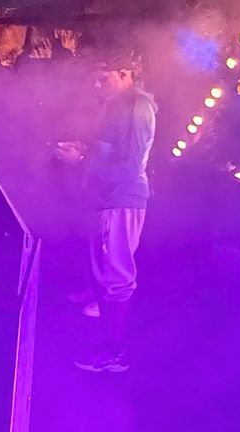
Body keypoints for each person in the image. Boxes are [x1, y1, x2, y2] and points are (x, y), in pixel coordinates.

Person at [60, 50, 157, 373]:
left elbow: (129, 169)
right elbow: (109, 155)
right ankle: (108, 338)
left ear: (126, 73)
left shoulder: (137, 108)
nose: (97, 85)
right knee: (107, 275)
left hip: (121, 201)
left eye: (104, 78)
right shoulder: (117, 105)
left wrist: (82, 160)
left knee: (117, 279)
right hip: (108, 201)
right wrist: (84, 151)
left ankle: (115, 353)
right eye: (94, 79)